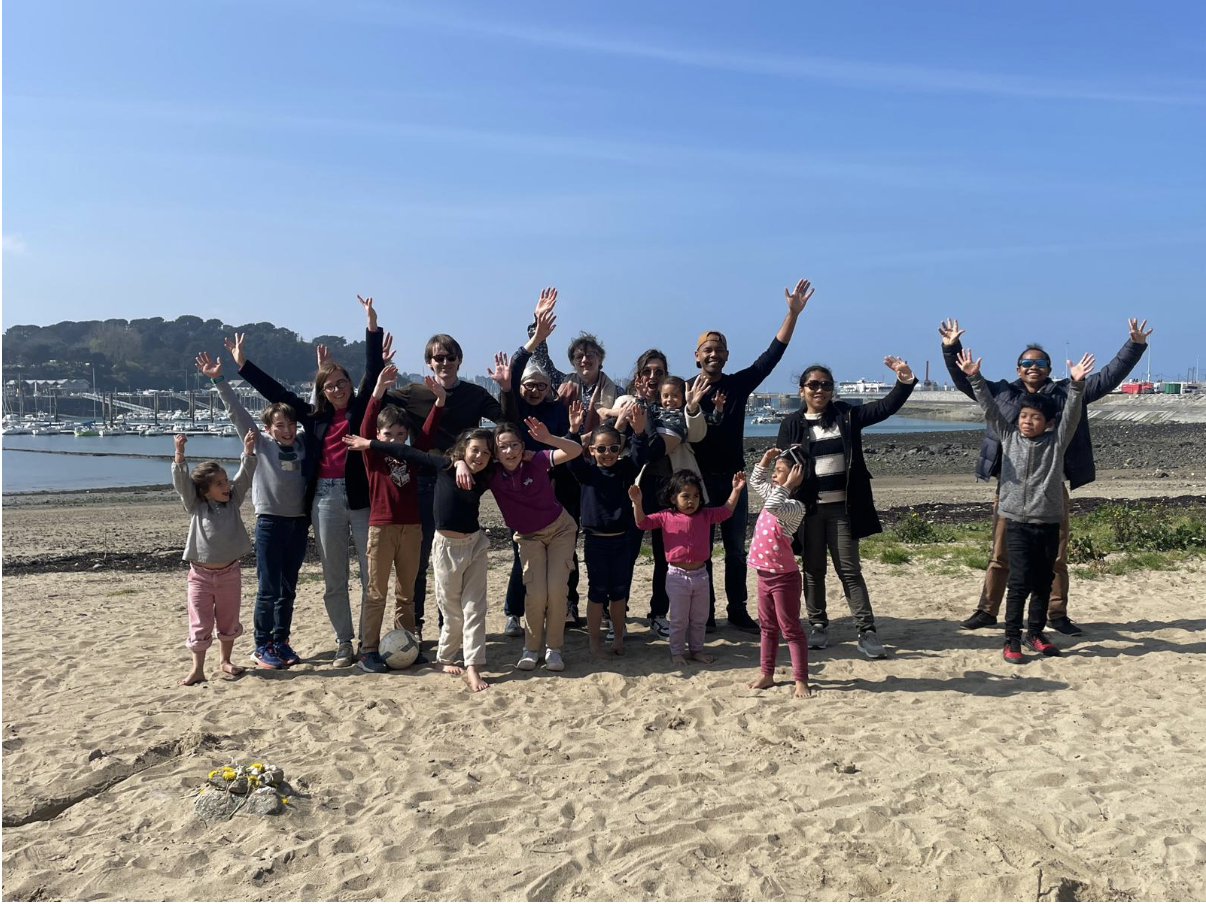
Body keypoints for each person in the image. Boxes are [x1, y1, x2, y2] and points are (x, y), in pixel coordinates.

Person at [940, 317, 1152, 635]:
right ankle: (987, 610)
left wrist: (1134, 346)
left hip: (1052, 489)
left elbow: (1108, 377)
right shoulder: (1002, 393)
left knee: (1055, 557)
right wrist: (950, 347)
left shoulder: (1066, 393)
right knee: (1000, 555)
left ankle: (1056, 613)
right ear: (1018, 368)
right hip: (1009, 489)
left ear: (1049, 369)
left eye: (1039, 363)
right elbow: (967, 379)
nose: (1033, 367)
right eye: (1027, 363)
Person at [225, 295, 387, 668]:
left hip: (361, 498)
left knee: (371, 576)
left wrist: (371, 326)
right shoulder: (313, 416)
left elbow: (373, 367)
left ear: (350, 385)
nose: (338, 389)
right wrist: (243, 365)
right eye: (330, 386)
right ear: (322, 391)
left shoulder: (362, 407)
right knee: (334, 577)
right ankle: (344, 642)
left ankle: (368, 643)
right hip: (324, 499)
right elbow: (278, 395)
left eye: (342, 383)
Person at [691, 277, 813, 633]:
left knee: (735, 551)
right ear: (697, 356)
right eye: (707, 350)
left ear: (727, 356)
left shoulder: (738, 384)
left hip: (734, 479)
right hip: (698, 481)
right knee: (701, 551)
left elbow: (772, 356)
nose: (713, 354)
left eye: (719, 349)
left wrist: (792, 314)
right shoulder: (685, 389)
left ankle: (737, 610)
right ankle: (706, 614)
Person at [956, 348, 1094, 662]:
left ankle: (1035, 633)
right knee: (1018, 583)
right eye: (1023, 417)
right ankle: (1011, 639)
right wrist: (975, 378)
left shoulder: (1056, 443)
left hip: (1047, 521)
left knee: (1043, 582)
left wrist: (1076, 385)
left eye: (1035, 418)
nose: (1027, 422)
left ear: (1048, 423)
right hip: (1016, 522)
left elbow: (1072, 415)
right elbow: (990, 408)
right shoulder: (1008, 436)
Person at [775, 356, 918, 659]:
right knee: (813, 570)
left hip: (843, 509)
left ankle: (866, 630)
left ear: (832, 389)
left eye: (826, 385)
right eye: (813, 385)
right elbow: (783, 465)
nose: (820, 390)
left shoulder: (846, 415)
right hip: (808, 511)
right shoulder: (791, 424)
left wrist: (904, 381)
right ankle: (817, 625)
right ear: (802, 390)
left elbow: (884, 408)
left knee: (850, 570)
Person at [344, 427, 495, 692]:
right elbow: (407, 452)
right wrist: (371, 443)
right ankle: (444, 658)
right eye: (475, 450)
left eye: (486, 452)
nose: (480, 456)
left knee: (474, 609)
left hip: (476, 544)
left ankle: (473, 666)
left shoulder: (488, 474)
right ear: (463, 449)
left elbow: (516, 462)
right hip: (446, 547)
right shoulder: (445, 465)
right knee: (451, 611)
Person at [386, 333, 504, 641]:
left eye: (451, 357)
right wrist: (379, 367)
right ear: (429, 362)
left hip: (461, 487)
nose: (445, 363)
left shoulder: (475, 394)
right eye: (439, 358)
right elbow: (373, 405)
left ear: (459, 360)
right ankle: (414, 626)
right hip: (422, 483)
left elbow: (506, 423)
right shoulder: (414, 392)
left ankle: (448, 630)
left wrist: (506, 388)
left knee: (454, 563)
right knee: (418, 561)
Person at [196, 351, 307, 670]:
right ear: (268, 428)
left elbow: (315, 413)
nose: (287, 430)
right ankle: (262, 645)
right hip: (270, 523)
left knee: (288, 589)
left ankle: (281, 641)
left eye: (291, 424)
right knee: (268, 589)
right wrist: (219, 379)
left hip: (299, 525)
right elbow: (237, 413)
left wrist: (319, 374)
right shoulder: (260, 444)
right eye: (280, 425)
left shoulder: (303, 444)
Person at [466, 414, 584, 672]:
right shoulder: (492, 473)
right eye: (503, 447)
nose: (509, 451)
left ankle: (553, 649)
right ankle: (531, 648)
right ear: (495, 452)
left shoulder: (536, 460)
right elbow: (464, 459)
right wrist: (460, 464)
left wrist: (548, 439)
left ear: (522, 446)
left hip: (560, 530)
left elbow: (575, 450)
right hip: (528, 537)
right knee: (536, 594)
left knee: (556, 590)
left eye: (514, 445)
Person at [489, 307, 575, 638]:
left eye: (541, 385)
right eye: (530, 385)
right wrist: (535, 339)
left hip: (554, 485)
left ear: (549, 388)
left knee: (563, 554)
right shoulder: (516, 408)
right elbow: (512, 374)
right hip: (521, 490)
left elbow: (566, 444)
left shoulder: (557, 410)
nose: (535, 390)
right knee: (521, 555)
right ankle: (513, 611)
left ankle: (566, 605)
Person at [354, 365, 445, 673]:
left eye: (400, 435)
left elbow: (428, 433)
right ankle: (368, 650)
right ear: (378, 436)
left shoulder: (411, 456)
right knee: (376, 592)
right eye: (388, 434)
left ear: (407, 437)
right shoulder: (372, 454)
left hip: (412, 528)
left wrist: (440, 402)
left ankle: (405, 642)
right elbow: (366, 424)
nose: (394, 439)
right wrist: (378, 390)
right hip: (381, 528)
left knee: (406, 594)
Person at [565, 402, 665, 658]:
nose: (607, 453)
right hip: (595, 542)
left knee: (619, 593)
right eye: (601, 449)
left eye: (612, 448)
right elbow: (572, 458)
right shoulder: (587, 473)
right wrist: (573, 431)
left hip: (623, 541)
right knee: (597, 593)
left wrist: (639, 432)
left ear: (619, 449)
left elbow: (640, 456)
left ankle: (619, 636)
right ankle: (594, 642)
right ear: (591, 450)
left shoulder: (625, 470)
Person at [629, 470, 747, 667]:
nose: (691, 501)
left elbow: (726, 511)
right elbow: (642, 523)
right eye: (685, 496)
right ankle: (677, 652)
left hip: (701, 575)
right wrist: (637, 503)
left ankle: (696, 650)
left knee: (700, 618)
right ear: (673, 498)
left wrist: (736, 490)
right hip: (677, 576)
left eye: (696, 496)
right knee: (678, 619)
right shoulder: (665, 516)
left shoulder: (705, 514)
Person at [173, 430, 257, 686]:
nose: (226, 486)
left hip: (230, 574)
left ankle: (225, 661)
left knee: (229, 620)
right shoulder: (196, 506)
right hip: (200, 577)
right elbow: (182, 484)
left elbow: (244, 478)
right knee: (200, 623)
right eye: (219, 484)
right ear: (205, 491)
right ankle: (197, 669)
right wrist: (179, 455)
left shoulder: (233, 502)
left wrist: (248, 452)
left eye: (225, 481)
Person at [746, 448, 811, 699]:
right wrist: (765, 460)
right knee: (767, 627)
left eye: (780, 471)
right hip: (763, 576)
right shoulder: (775, 494)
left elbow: (773, 506)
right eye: (774, 471)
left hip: (784, 579)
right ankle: (767, 674)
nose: (774, 475)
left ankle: (801, 679)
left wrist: (789, 485)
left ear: (796, 475)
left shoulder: (795, 506)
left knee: (791, 629)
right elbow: (755, 481)